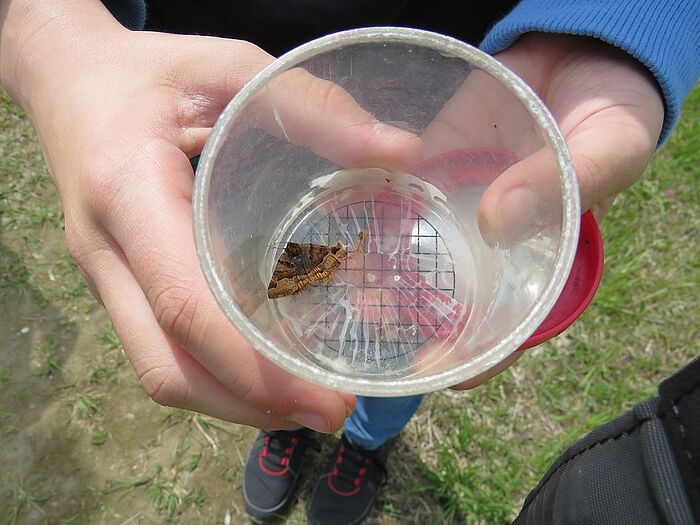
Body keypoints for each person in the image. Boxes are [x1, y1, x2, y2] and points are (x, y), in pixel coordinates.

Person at [0, 1, 697, 524]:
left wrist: (616, 20)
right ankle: (287, 421)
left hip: (460, 109)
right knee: (286, 314)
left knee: (405, 347)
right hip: (257, 146)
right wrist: (43, 29)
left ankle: (365, 438)